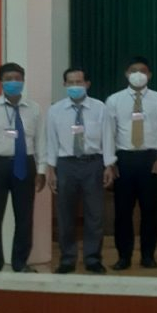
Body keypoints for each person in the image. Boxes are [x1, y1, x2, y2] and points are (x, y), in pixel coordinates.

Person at [103, 56, 157, 270]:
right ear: (126, 74)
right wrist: (110, 162)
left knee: (150, 211)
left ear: (149, 75)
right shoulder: (114, 100)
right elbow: (108, 133)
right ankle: (123, 257)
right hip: (124, 160)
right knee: (122, 212)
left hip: (151, 159)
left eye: (143, 70)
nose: (138, 74)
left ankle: (148, 256)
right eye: (133, 70)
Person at [0, 62, 47, 272]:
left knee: (24, 217)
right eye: (8, 79)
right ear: (1, 82)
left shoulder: (34, 109)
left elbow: (41, 142)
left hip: (25, 164)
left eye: (17, 78)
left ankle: (20, 263)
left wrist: (41, 170)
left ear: (23, 81)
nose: (13, 82)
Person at [46, 67, 107, 274]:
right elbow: (51, 141)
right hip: (66, 164)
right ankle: (67, 259)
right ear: (64, 85)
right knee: (65, 215)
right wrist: (51, 168)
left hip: (93, 163)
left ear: (87, 84)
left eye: (79, 82)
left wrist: (109, 164)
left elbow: (107, 137)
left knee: (95, 215)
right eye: (70, 82)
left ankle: (93, 259)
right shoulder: (55, 110)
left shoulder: (100, 107)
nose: (75, 86)